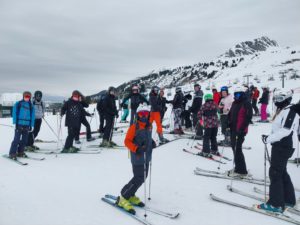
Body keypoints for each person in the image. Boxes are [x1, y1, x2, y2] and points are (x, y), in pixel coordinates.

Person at [259, 90, 299, 213]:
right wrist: (270, 137)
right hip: (283, 145)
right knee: (281, 172)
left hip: (283, 146)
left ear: (287, 99)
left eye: (280, 98)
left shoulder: (289, 111)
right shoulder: (286, 110)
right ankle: (288, 199)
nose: (277, 101)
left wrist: (269, 139)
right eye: (275, 98)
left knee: (275, 173)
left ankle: (276, 204)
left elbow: (286, 130)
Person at [117, 104, 156, 214]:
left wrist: (152, 142)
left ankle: (131, 195)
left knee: (143, 177)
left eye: (145, 113)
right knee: (138, 177)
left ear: (148, 115)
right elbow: (127, 141)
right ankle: (123, 197)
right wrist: (136, 148)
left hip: (147, 156)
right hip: (137, 156)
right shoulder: (134, 127)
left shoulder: (149, 126)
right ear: (137, 115)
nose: (143, 115)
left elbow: (148, 137)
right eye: (141, 113)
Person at [228, 86, 253, 177]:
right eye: (235, 94)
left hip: (241, 130)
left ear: (242, 94)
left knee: (237, 148)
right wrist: (228, 122)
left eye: (238, 94)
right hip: (233, 129)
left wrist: (242, 129)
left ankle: (242, 170)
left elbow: (248, 117)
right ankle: (238, 167)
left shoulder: (246, 103)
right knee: (233, 147)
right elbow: (230, 114)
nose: (236, 96)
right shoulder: (234, 103)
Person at [9, 91, 35, 159]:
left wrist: (32, 125)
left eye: (28, 97)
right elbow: (14, 113)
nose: (27, 98)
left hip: (27, 125)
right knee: (16, 139)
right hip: (19, 124)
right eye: (26, 96)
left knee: (24, 140)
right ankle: (12, 153)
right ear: (23, 96)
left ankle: (20, 152)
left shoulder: (31, 105)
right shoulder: (18, 104)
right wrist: (14, 123)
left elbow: (32, 116)